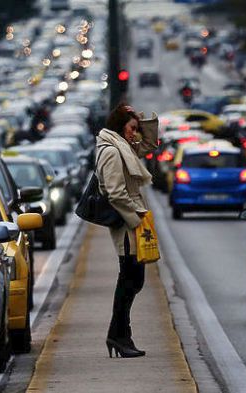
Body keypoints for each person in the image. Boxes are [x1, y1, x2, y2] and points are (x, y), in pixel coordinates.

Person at [96, 103, 158, 358]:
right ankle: (121, 335)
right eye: (132, 128)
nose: (135, 133)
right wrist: (135, 220)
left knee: (132, 280)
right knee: (130, 280)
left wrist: (140, 120)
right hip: (126, 223)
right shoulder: (112, 150)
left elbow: (150, 144)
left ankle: (118, 335)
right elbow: (115, 192)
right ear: (120, 126)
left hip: (132, 218)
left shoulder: (124, 146)